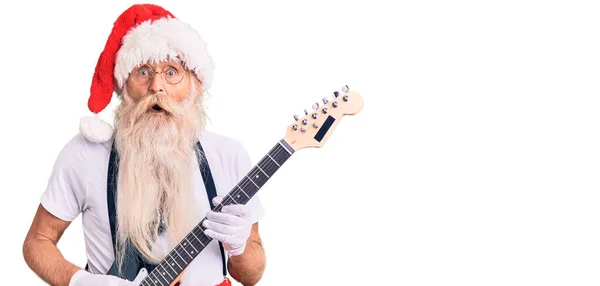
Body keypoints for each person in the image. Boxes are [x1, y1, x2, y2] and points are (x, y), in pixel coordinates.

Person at [22, 4, 266, 286]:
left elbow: (251, 275)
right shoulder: (85, 154)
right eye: (143, 72)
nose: (156, 87)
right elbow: (37, 241)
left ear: (195, 84)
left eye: (172, 72)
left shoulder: (228, 155)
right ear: (124, 85)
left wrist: (240, 246)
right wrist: (80, 281)